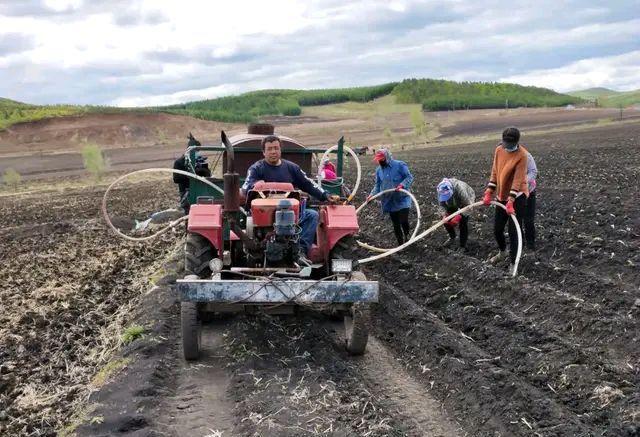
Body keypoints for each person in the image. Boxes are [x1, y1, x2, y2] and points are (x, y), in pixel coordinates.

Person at [241, 135, 340, 260]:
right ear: (263, 152)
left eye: (276, 148)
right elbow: (246, 187)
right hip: (264, 215)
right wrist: (254, 185)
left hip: (291, 215)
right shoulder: (256, 168)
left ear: (280, 150)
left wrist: (325, 195)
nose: (273, 152)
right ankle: (259, 250)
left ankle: (301, 251)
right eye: (269, 149)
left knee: (312, 215)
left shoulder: (292, 168)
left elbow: (308, 184)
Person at [483, 127, 529, 275]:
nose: (506, 147)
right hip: (501, 196)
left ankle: (512, 262)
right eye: (505, 144)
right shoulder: (499, 150)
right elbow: (495, 171)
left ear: (516, 142)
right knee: (497, 229)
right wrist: (489, 191)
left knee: (514, 231)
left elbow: (518, 180)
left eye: (509, 145)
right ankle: (502, 252)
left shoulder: (522, 155)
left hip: (517, 197)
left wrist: (511, 201)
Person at [367, 148, 414, 246]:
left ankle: (407, 236)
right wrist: (371, 195)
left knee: (404, 220)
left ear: (387, 157)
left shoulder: (400, 165)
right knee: (396, 224)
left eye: (382, 159)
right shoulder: (379, 170)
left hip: (402, 198)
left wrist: (402, 185)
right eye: (378, 160)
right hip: (389, 201)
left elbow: (409, 177)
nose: (380, 161)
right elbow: (377, 185)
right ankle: (400, 244)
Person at [436, 178, 475, 250]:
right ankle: (452, 237)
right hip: (452, 202)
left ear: (451, 190)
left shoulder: (460, 189)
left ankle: (462, 246)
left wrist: (459, 216)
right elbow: (441, 205)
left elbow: (469, 206)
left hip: (466, 200)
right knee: (446, 221)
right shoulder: (440, 190)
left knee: (463, 222)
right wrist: (444, 215)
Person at [524, 151, 538, 251]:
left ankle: (530, 245)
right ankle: (519, 244)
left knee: (528, 220)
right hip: (512, 194)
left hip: (528, 191)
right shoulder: (501, 157)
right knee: (516, 220)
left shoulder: (525, 155)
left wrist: (521, 181)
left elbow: (533, 171)